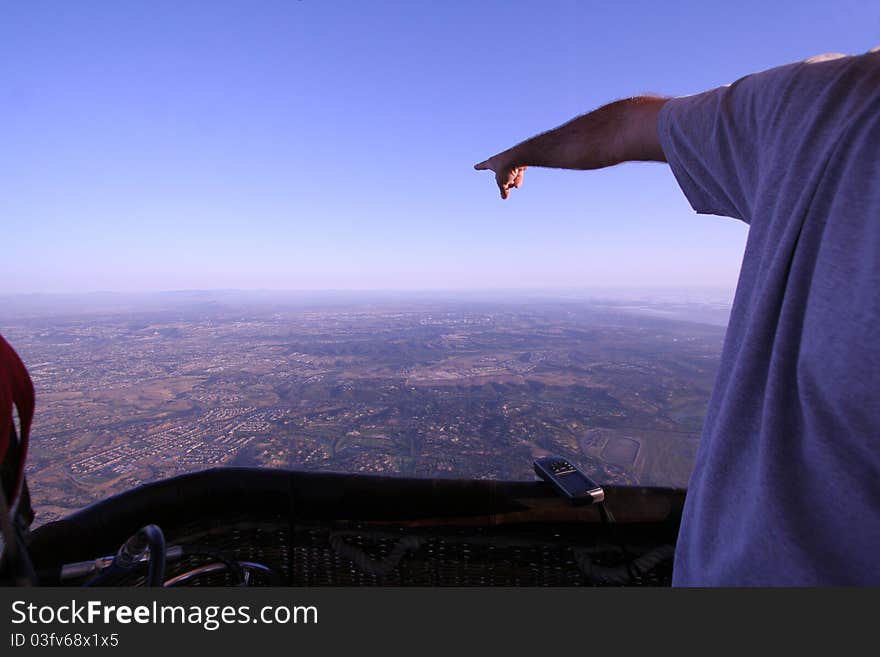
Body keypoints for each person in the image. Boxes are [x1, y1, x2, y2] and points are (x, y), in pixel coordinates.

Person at [475, 47, 880, 586]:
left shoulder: (820, 103)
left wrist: (522, 152)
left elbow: (625, 127)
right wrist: (524, 152)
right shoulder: (819, 101)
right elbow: (627, 126)